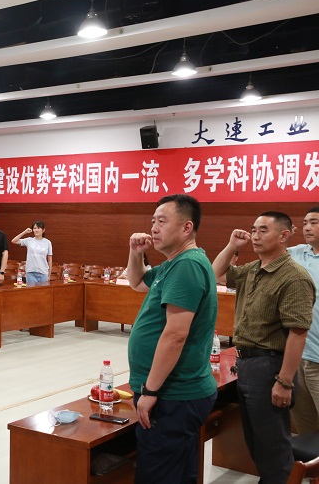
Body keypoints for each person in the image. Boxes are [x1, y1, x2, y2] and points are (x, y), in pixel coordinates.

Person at [212, 211, 314, 484]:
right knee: (256, 442)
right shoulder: (253, 269)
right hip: (247, 364)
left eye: (263, 230)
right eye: (253, 230)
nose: (255, 236)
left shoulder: (294, 277)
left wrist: (285, 381)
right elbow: (215, 274)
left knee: (273, 447)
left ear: (284, 235)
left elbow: (298, 333)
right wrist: (232, 245)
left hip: (270, 367)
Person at [126, 194, 218, 484]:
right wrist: (135, 252)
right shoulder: (173, 263)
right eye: (153, 221)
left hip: (172, 393)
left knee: (159, 475)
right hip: (172, 392)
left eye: (162, 221)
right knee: (176, 472)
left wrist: (150, 391)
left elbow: (176, 334)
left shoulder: (187, 265)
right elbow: (137, 282)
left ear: (186, 227)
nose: (154, 228)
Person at [290, 206, 319, 434]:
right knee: (305, 431)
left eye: (314, 222)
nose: (307, 227)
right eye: (305, 223)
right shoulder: (297, 253)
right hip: (298, 357)